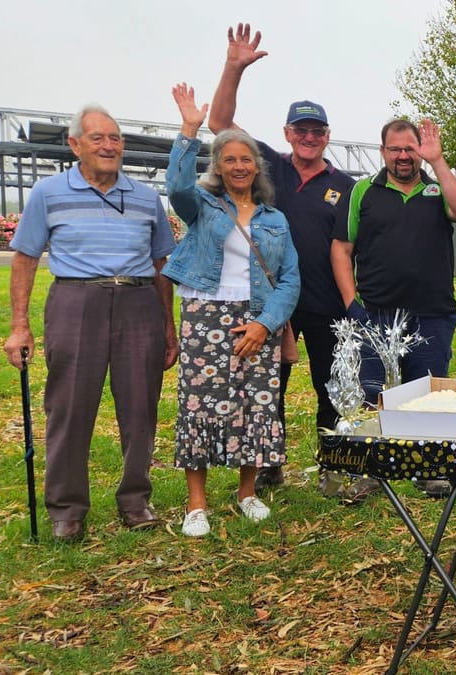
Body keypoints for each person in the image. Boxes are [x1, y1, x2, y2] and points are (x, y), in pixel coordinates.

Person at [3, 104, 177, 543]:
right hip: (75, 300)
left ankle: (136, 500)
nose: (109, 146)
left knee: (140, 407)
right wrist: (19, 326)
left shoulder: (144, 196)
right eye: (98, 138)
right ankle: (66, 508)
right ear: (75, 144)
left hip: (139, 301)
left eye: (115, 138)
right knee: (69, 407)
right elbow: (25, 258)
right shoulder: (48, 192)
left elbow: (161, 264)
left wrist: (168, 327)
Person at [208, 23, 355, 493]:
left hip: (327, 303)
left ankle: (334, 462)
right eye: (301, 129)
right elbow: (220, 124)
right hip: (274, 304)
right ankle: (269, 463)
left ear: (327, 135)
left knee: (331, 388)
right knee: (270, 387)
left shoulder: (346, 187)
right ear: (287, 133)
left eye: (316, 130)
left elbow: (353, 248)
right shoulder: (268, 164)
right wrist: (234, 68)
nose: (308, 137)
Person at [164, 83, 300, 537]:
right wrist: (188, 131)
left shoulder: (274, 219)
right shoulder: (202, 205)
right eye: (230, 160)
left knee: (256, 403)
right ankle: (196, 503)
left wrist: (266, 324)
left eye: (246, 160)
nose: (239, 166)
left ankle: (247, 493)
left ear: (256, 167)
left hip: (255, 316)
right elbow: (176, 187)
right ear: (218, 167)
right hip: (205, 314)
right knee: (200, 405)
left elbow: (291, 279)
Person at [331, 118, 456, 498]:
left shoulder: (436, 187)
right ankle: (372, 471)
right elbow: (341, 249)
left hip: (432, 313)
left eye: (410, 148)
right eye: (395, 149)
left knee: (427, 395)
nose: (403, 156)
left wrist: (439, 161)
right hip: (375, 314)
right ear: (383, 152)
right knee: (371, 394)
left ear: (419, 150)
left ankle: (428, 468)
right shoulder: (362, 191)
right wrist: (350, 303)